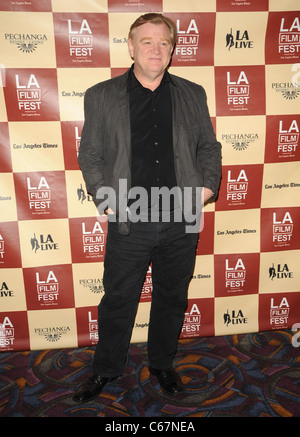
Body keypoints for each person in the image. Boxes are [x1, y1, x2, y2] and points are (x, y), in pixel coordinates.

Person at [73, 13, 221, 403]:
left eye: (164, 43)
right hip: (129, 218)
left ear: (172, 49)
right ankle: (105, 370)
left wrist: (205, 190)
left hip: (181, 217)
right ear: (131, 46)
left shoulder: (192, 93)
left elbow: (209, 146)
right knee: (119, 298)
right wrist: (105, 199)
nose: (156, 50)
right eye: (147, 42)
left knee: (172, 296)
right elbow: (90, 154)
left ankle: (162, 363)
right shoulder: (101, 95)